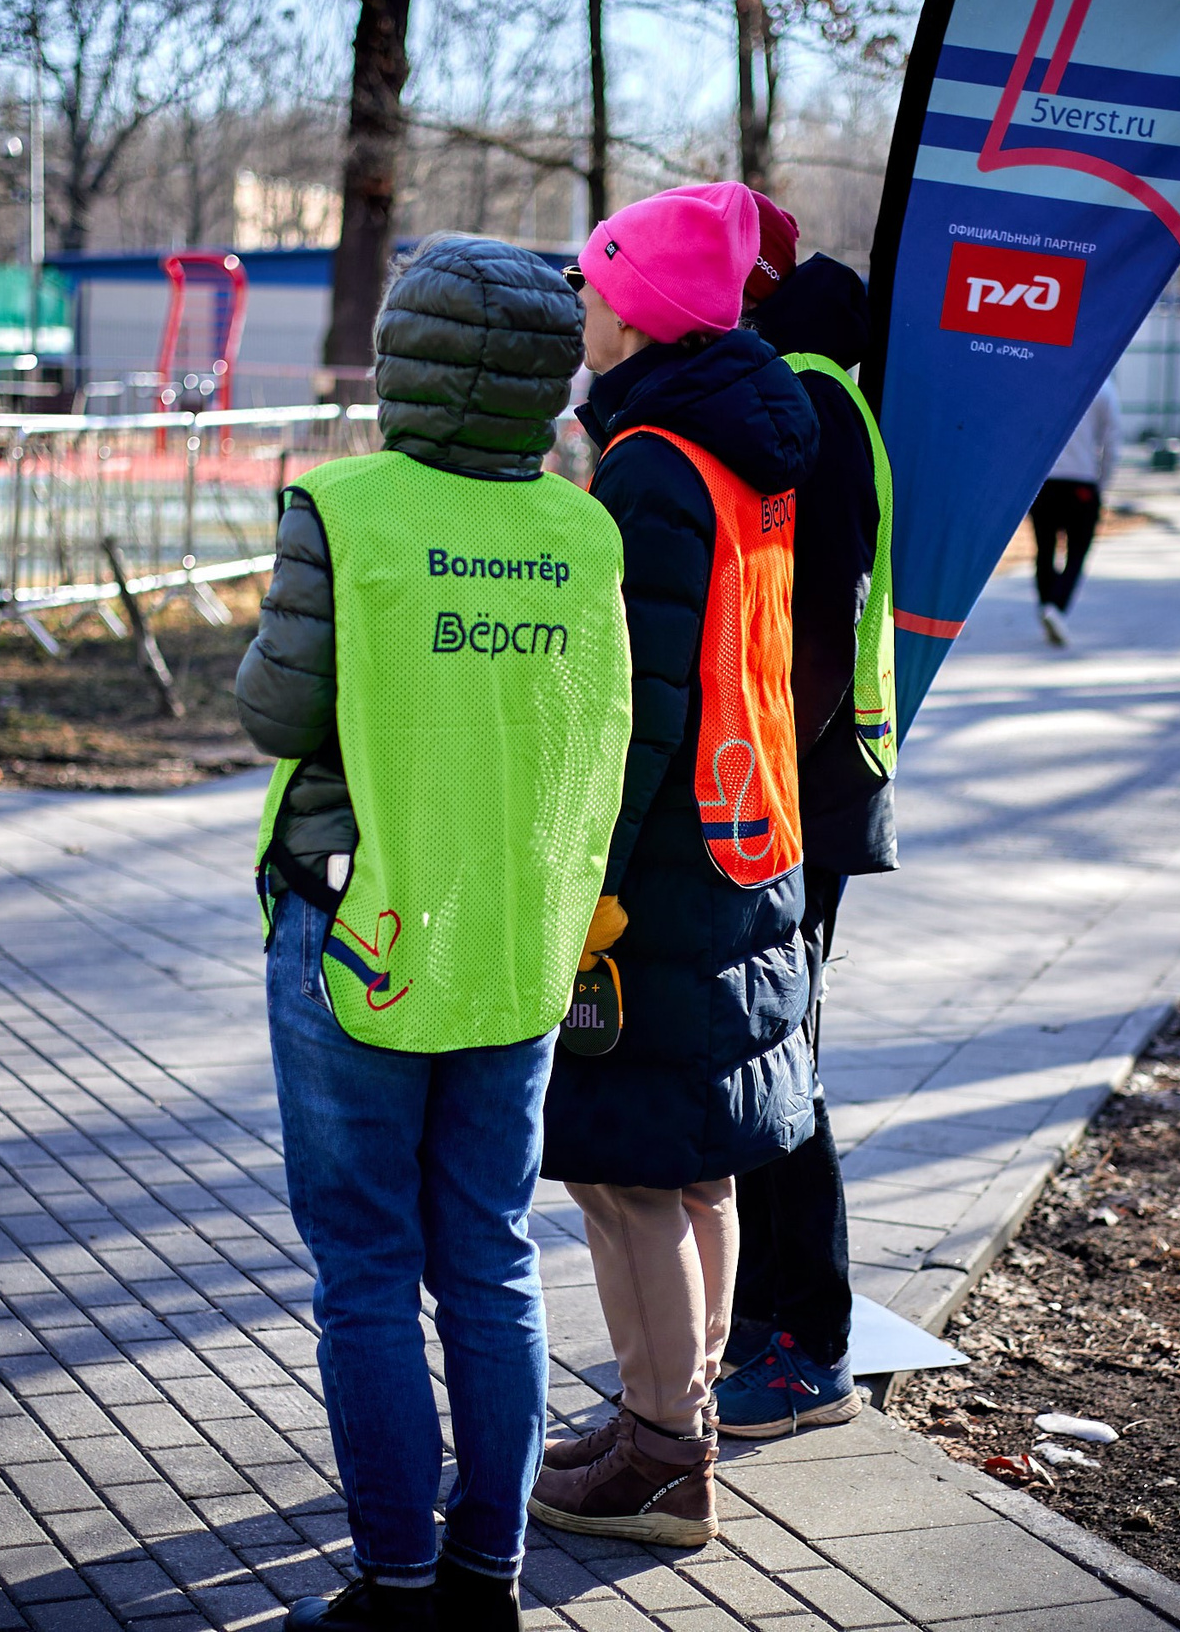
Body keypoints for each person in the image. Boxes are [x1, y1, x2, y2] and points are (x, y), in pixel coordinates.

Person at [236, 236, 633, 1632]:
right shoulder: (585, 530)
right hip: (515, 935)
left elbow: (276, 713)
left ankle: (398, 1583)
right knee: (491, 1254)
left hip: (361, 926)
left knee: (364, 1267)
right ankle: (488, 1579)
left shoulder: (344, 508)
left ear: (401, 359)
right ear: (547, 375)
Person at [526, 182, 821, 1547]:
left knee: (628, 1170)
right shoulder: (743, 440)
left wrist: (583, 866)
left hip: (662, 858)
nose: (582, 308)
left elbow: (634, 699)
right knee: (697, 1167)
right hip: (745, 827)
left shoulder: (652, 457)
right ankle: (674, 1416)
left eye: (594, 286)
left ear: (638, 308)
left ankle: (660, 1456)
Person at [714, 225, 901, 1439]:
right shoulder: (804, 386)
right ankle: (758, 1320)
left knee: (781, 1057)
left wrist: (757, 787)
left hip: (803, 796)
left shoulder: (812, 399)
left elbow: (820, 628)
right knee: (762, 1050)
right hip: (799, 787)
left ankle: (808, 1344)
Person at [1031, 374, 1120, 645]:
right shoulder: (1103, 387)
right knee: (1077, 553)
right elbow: (1112, 442)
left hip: (1044, 481)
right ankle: (1056, 607)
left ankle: (1046, 604)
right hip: (1081, 482)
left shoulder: (1047, 383)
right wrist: (1101, 485)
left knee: (1044, 549)